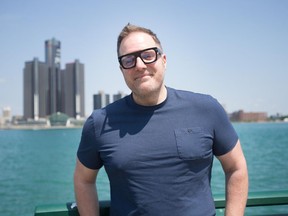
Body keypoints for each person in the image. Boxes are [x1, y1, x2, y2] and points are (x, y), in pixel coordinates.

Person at [74, 23, 248, 216]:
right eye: (129, 60)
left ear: (163, 60)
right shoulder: (100, 122)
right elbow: (84, 180)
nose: (139, 65)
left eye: (148, 55)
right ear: (122, 69)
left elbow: (236, 167)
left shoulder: (207, 109)